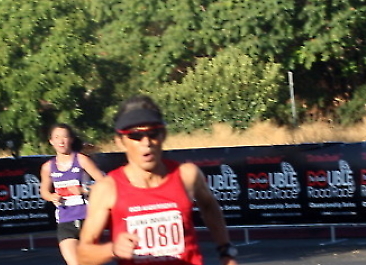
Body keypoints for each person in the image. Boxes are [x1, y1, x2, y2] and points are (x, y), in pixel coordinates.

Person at [77, 95, 239, 265]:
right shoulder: (108, 188)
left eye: (153, 133)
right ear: (120, 141)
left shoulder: (187, 175)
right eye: (135, 135)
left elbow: (209, 206)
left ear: (163, 135)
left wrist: (226, 252)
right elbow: (82, 256)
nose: (146, 142)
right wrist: (112, 250)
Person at [41, 123, 106, 265]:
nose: (61, 141)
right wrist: (51, 197)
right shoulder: (47, 167)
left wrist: (84, 190)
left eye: (64, 137)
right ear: (51, 141)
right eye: (57, 137)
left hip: (87, 219)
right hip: (65, 220)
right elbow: (44, 192)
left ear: (71, 139)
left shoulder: (81, 160)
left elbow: (105, 183)